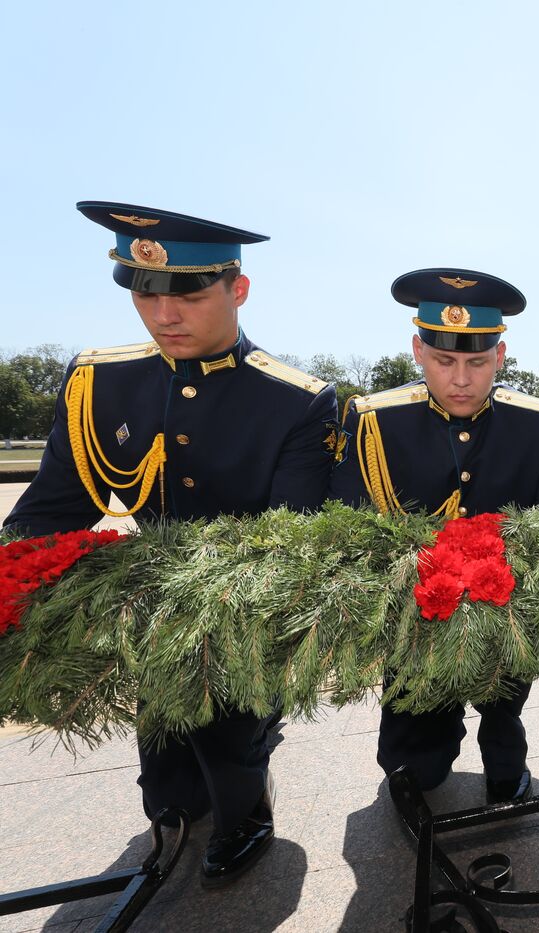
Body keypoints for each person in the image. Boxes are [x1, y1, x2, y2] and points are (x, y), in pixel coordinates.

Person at [3, 201, 337, 886]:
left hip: (246, 615)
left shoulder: (298, 402)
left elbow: (289, 544)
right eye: (143, 291)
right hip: (147, 619)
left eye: (187, 291)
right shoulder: (99, 379)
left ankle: (251, 809)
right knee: (170, 797)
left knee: (227, 740)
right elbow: (54, 510)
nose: (164, 314)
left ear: (237, 289)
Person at [330, 268, 539, 804]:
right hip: (416, 614)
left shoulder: (537, 423)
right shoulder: (375, 421)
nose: (462, 379)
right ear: (418, 350)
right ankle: (425, 742)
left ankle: (503, 740)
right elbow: (347, 525)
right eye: (445, 361)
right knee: (413, 769)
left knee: (504, 704)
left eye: (477, 362)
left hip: (506, 607)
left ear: (501, 354)